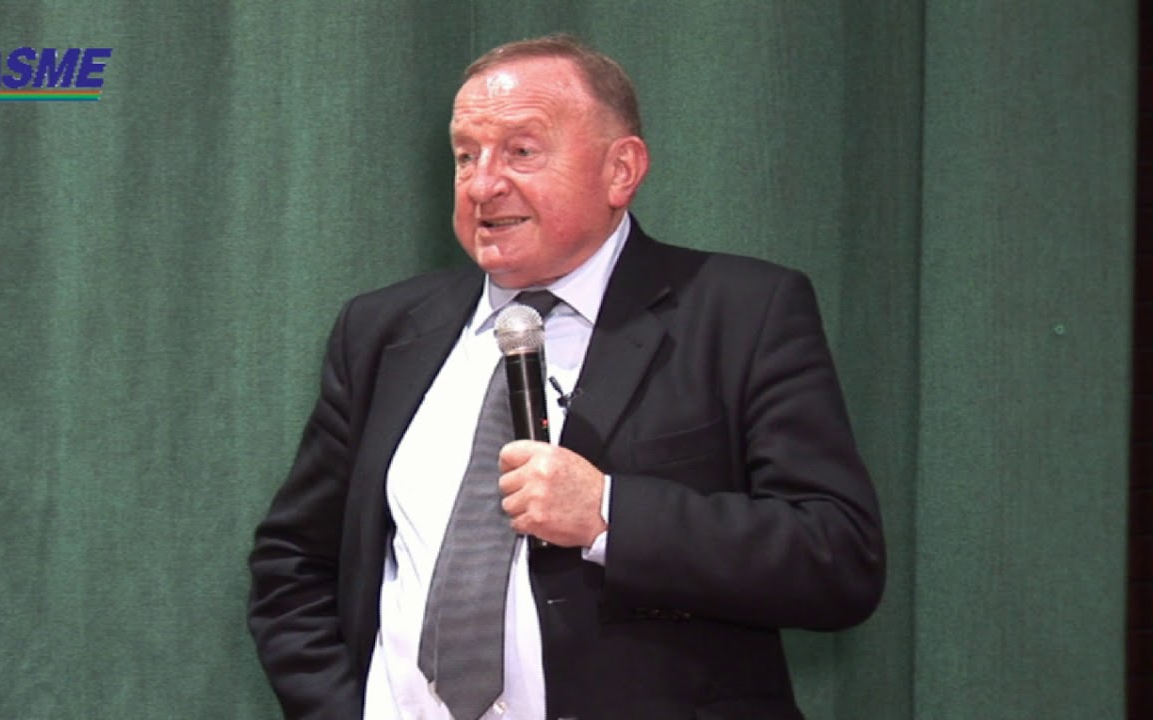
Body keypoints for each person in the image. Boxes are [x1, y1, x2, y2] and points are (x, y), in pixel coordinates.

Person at [248, 34, 885, 720]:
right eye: (466, 155)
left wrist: (611, 513)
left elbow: (837, 558)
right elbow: (296, 562)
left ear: (620, 170)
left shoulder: (741, 313)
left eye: (521, 151)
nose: (483, 184)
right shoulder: (381, 330)